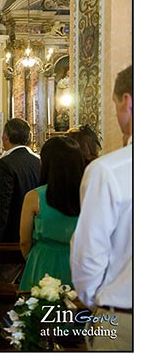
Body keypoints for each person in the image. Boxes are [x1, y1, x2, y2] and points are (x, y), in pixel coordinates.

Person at [70, 65, 133, 351]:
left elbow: (89, 253)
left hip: (125, 318)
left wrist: (96, 300)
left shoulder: (109, 171)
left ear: (127, 102)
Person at [18, 136, 84, 290]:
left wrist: (32, 257)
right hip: (78, 262)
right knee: (75, 310)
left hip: (43, 261)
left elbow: (24, 240)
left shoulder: (34, 196)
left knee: (40, 309)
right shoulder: (88, 194)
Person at [0, 118, 40, 245]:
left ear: (5, 137)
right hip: (35, 228)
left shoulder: (4, 164)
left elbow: (2, 201)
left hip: (13, 231)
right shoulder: (38, 161)